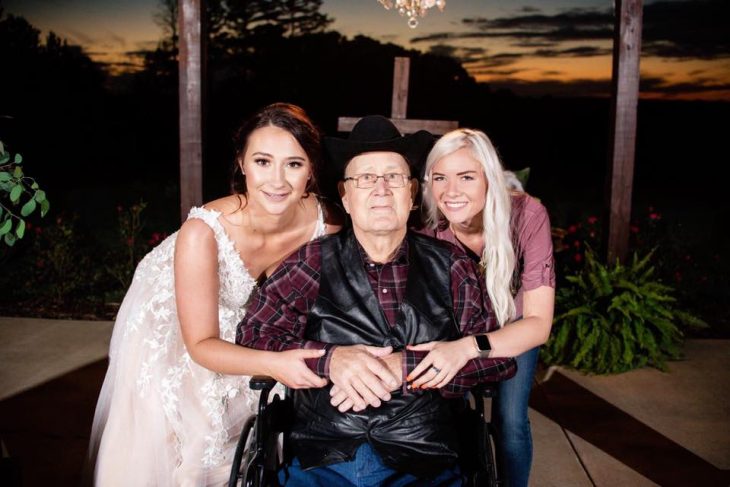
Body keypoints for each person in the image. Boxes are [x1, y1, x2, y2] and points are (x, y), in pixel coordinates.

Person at [237, 115, 517, 486]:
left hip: (424, 458)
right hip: (323, 459)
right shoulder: (311, 261)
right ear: (346, 197)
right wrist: (329, 360)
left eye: (393, 177)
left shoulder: (452, 266)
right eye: (365, 179)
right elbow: (254, 334)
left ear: (413, 194)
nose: (381, 189)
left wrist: (411, 365)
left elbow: (496, 357)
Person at [88, 103, 341, 486]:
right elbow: (202, 344)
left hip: (254, 321)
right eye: (262, 161)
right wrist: (274, 363)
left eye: (293, 164)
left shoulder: (329, 223)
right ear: (241, 164)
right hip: (178, 316)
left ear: (311, 170)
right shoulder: (203, 232)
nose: (277, 180)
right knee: (186, 438)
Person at [413, 128, 555, 487]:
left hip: (513, 327)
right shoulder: (431, 230)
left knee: (509, 419)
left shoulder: (527, 215)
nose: (451, 191)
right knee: (440, 410)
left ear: (489, 178)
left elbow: (538, 324)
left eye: (466, 177)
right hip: (456, 328)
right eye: (440, 178)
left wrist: (470, 348)